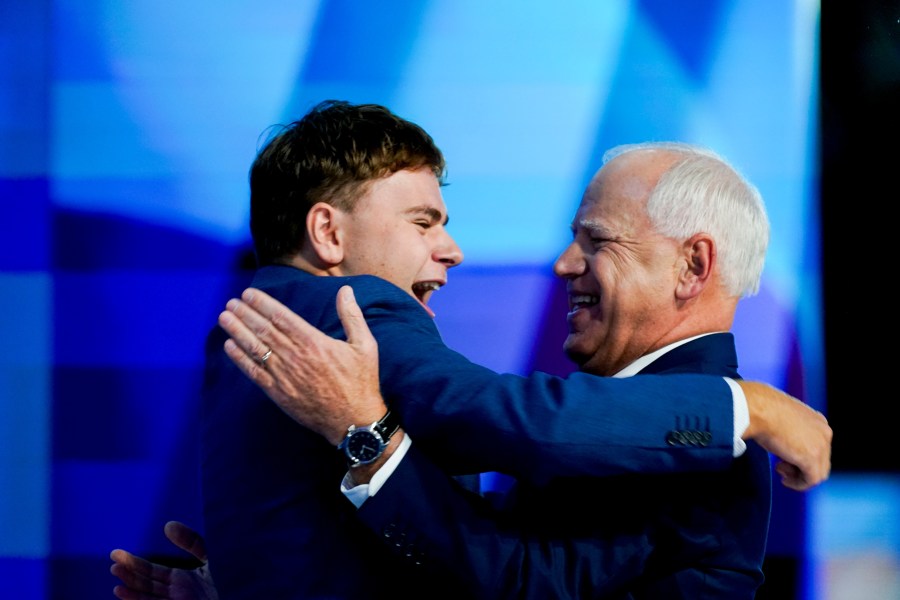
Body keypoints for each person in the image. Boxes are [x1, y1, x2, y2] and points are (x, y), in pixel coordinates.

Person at [111, 101, 830, 599]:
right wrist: (750, 405)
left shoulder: (693, 446)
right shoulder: (350, 308)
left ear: (693, 267)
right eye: (424, 221)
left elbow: (510, 578)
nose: (563, 265)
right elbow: (494, 420)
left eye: (596, 241)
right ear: (328, 234)